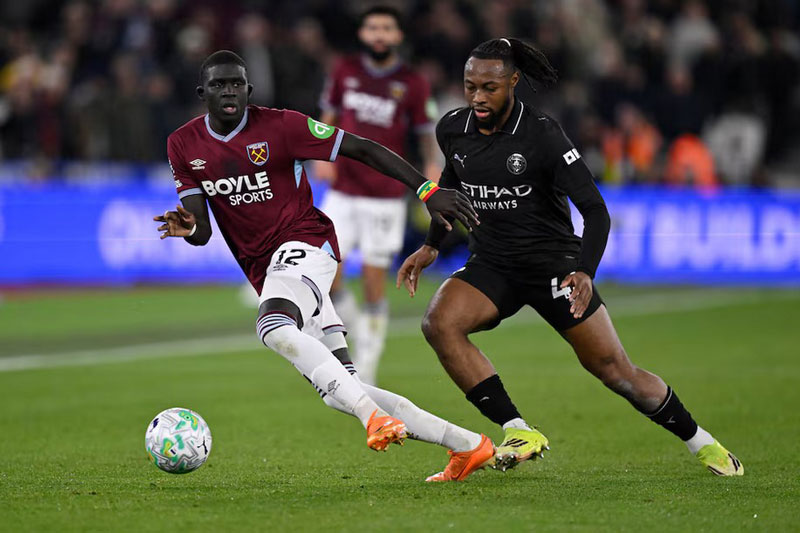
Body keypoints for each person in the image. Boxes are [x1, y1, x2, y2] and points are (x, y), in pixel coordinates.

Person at [397, 38, 743, 476]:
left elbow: (596, 210)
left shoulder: (542, 133)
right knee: (439, 323)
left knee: (616, 372)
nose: (478, 97)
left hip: (554, 267)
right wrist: (431, 245)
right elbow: (451, 189)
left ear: (513, 82)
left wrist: (585, 271)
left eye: (489, 88)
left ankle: (702, 442)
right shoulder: (452, 128)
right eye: (470, 87)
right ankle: (518, 429)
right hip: (493, 263)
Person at [154, 50, 493, 482]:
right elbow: (201, 229)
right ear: (203, 92)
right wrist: (189, 228)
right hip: (268, 270)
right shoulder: (183, 144)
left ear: (249, 90)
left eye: (236, 83)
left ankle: (373, 419)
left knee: (273, 327)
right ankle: (468, 445)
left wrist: (427, 190)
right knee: (342, 389)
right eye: (219, 85)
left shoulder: (282, 126)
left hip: (307, 243)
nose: (229, 91)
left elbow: (363, 148)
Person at [314, 6, 441, 385]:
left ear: (397, 35)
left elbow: (425, 131)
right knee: (326, 272)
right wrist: (320, 153)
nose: (379, 34)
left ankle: (367, 362)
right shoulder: (345, 70)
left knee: (373, 280)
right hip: (343, 189)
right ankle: (358, 332)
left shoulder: (412, 82)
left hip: (385, 195)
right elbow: (328, 114)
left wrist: (432, 167)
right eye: (373, 27)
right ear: (363, 34)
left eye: (386, 28)